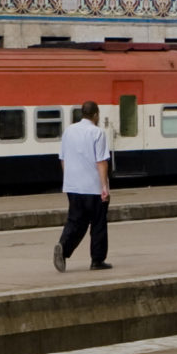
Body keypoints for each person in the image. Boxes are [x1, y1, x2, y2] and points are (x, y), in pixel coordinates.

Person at [52, 100, 113, 272]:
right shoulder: (97, 132)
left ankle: (63, 248)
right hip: (93, 187)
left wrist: (69, 180)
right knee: (98, 224)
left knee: (75, 221)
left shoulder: (68, 131)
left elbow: (63, 159)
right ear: (96, 115)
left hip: (73, 186)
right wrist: (104, 188)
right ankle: (97, 260)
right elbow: (101, 162)